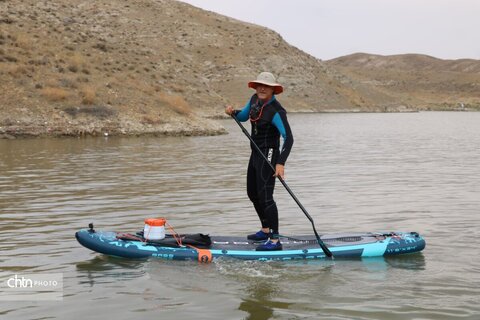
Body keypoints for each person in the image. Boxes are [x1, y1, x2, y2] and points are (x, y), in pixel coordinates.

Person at [225, 72, 294, 251]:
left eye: (266, 86)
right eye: (259, 85)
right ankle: (265, 229)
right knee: (252, 193)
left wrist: (280, 163)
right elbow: (244, 116)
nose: (262, 88)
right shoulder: (254, 99)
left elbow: (289, 138)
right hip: (255, 153)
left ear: (273, 90)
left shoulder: (277, 111)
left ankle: (275, 239)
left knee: (266, 196)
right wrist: (233, 112)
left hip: (269, 154)